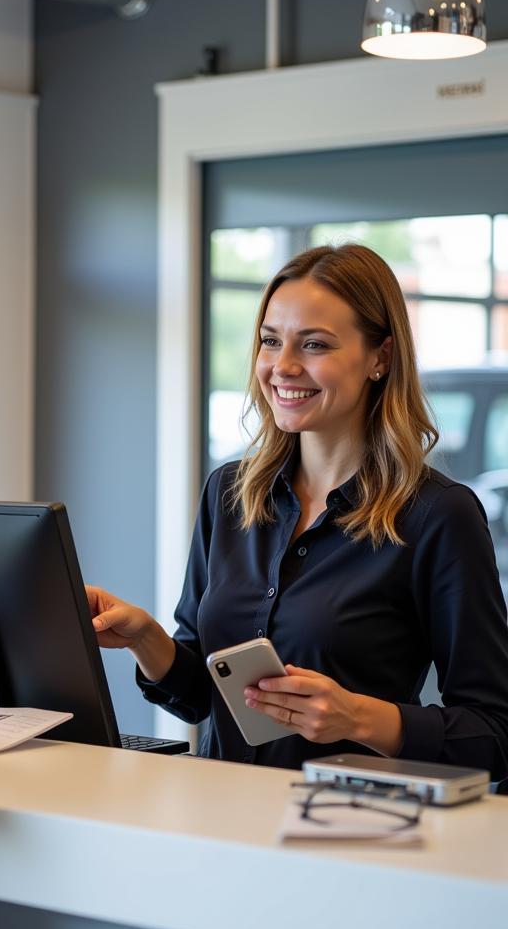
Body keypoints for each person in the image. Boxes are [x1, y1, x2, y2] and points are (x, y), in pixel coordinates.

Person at [89, 244, 508, 783]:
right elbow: (201, 699)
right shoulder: (229, 494)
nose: (283, 366)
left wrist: (357, 717)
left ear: (380, 358)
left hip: (348, 831)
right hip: (217, 821)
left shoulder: (437, 516)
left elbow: (494, 733)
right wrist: (146, 638)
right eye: (270, 341)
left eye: (314, 345)